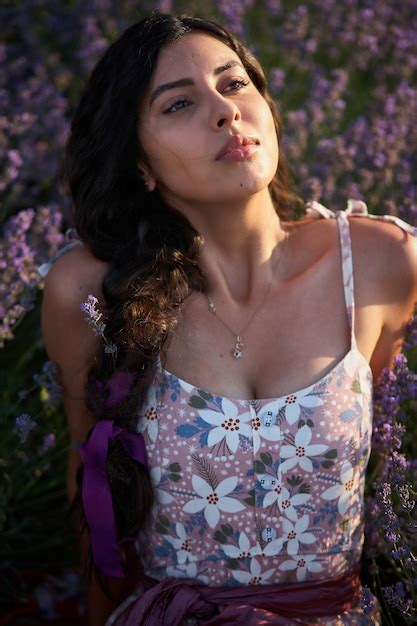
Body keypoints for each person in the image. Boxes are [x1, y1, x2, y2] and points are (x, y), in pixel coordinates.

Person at [41, 11, 417, 626]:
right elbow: (91, 482)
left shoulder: (380, 262)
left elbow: (384, 460)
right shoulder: (92, 292)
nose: (225, 111)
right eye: (178, 104)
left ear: (267, 105)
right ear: (139, 162)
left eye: (234, 83)